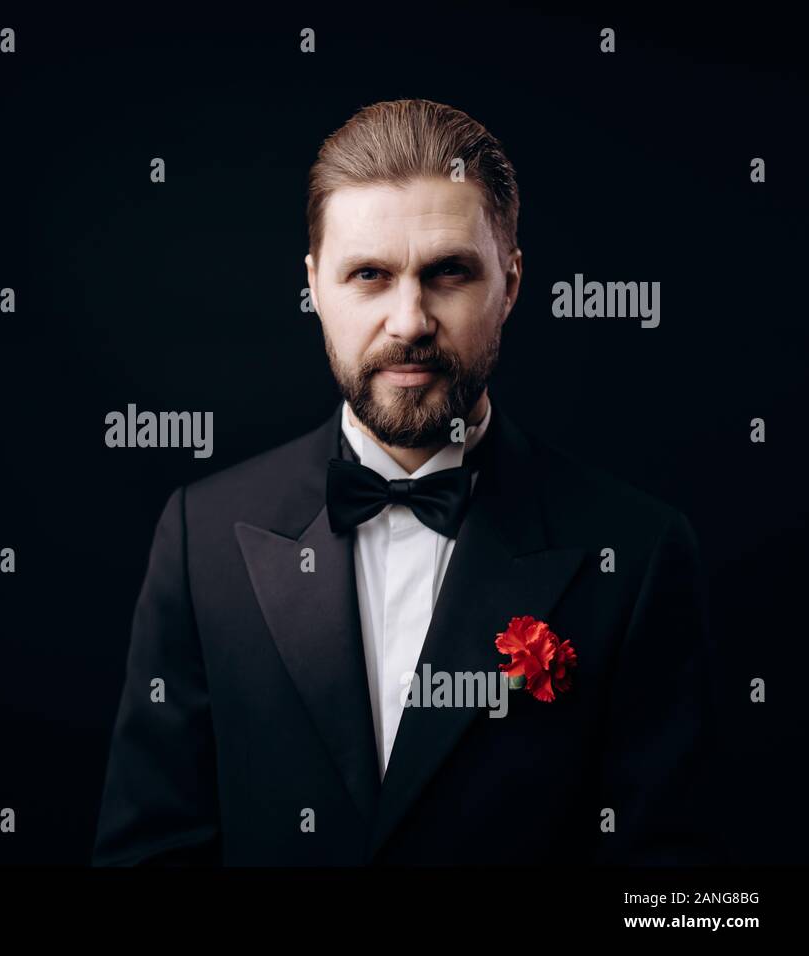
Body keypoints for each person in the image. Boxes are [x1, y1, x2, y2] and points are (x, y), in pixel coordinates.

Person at [93, 99, 720, 865]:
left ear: (512, 284)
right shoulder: (201, 536)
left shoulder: (640, 553)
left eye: (449, 272)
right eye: (369, 275)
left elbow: (680, 901)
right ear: (315, 287)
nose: (410, 320)